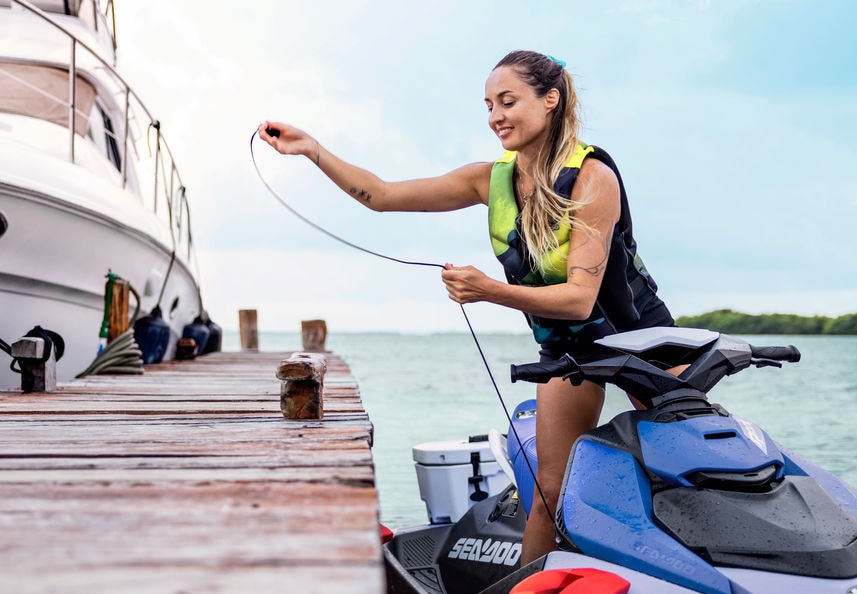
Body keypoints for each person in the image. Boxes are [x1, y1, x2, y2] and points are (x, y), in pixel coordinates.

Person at [257, 50, 673, 563]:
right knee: (550, 493)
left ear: (550, 99)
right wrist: (312, 150)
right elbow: (381, 196)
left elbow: (578, 298)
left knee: (686, 478)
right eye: (489, 105)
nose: (496, 116)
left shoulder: (592, 178)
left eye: (508, 101)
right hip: (571, 350)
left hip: (642, 341)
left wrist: (488, 290)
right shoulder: (490, 179)